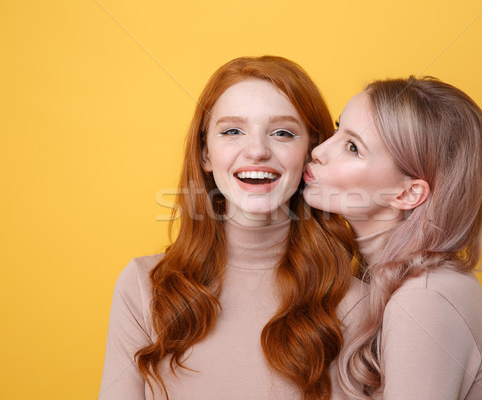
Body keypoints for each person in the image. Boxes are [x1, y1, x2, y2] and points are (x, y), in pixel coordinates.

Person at [99, 56, 367, 400]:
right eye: (232, 131)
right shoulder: (143, 287)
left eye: (282, 133)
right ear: (205, 154)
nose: (256, 151)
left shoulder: (360, 304)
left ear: (312, 154)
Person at [303, 77, 482, 400]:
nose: (318, 151)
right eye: (337, 128)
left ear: (408, 193)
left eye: (353, 147)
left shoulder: (425, 299)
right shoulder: (390, 282)